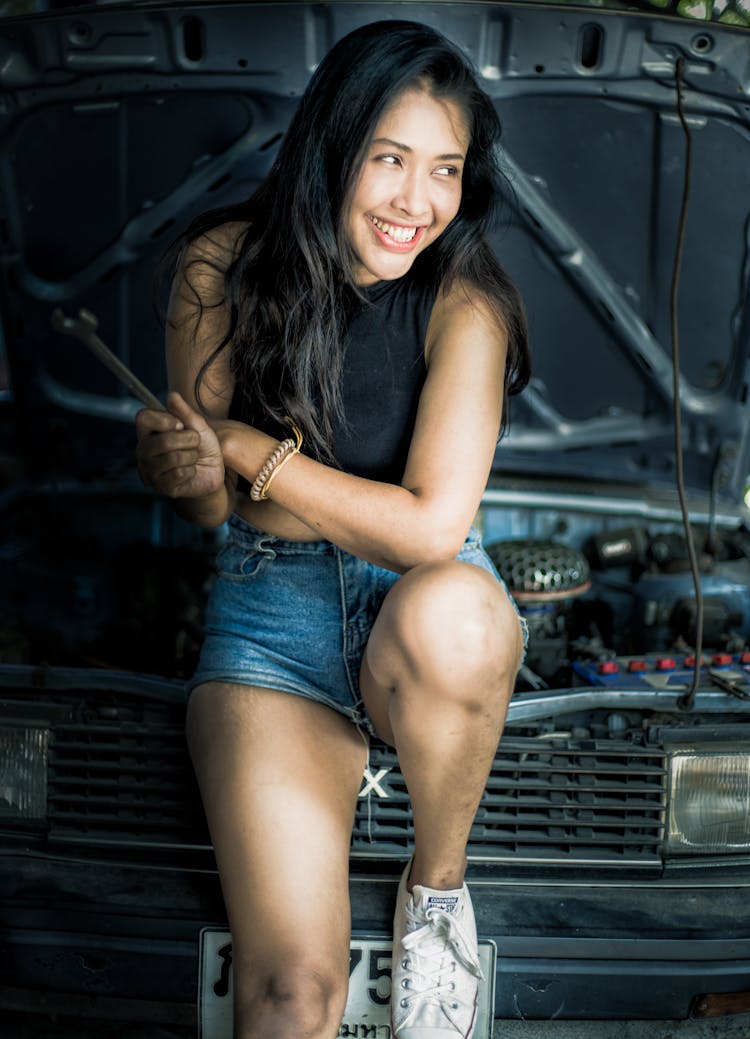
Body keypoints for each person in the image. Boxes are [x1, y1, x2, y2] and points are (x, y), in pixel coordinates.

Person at [135, 18, 530, 1039]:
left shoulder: (467, 302)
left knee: (465, 618)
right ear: (332, 145)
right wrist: (186, 468)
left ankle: (435, 900)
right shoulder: (219, 266)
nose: (417, 202)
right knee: (289, 995)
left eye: (444, 169)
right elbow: (209, 506)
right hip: (270, 615)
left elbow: (432, 529)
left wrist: (250, 449)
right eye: (390, 160)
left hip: (418, 615)